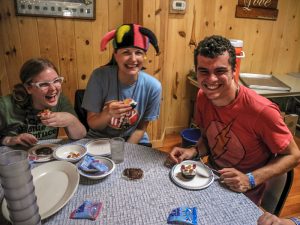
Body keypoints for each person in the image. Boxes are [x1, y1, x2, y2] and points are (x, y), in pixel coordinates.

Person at [168, 35, 300, 205]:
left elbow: (294, 155)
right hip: (209, 179)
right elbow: (209, 140)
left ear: (234, 70)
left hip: (244, 195)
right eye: (204, 71)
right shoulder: (202, 97)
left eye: (220, 71)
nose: (211, 79)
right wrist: (193, 151)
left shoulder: (262, 110)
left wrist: (250, 179)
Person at [82, 24, 162, 146]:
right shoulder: (99, 77)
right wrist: (107, 114)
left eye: (139, 52)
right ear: (115, 54)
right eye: (126, 52)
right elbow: (93, 123)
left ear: (144, 56)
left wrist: (125, 150)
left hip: (133, 140)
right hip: (99, 139)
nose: (133, 59)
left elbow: (141, 128)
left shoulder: (153, 86)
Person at [0, 58, 87, 147]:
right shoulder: (5, 105)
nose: (53, 88)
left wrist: (71, 120)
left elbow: (80, 136)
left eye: (56, 80)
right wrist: (9, 140)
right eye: (43, 84)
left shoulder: (61, 100)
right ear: (28, 88)